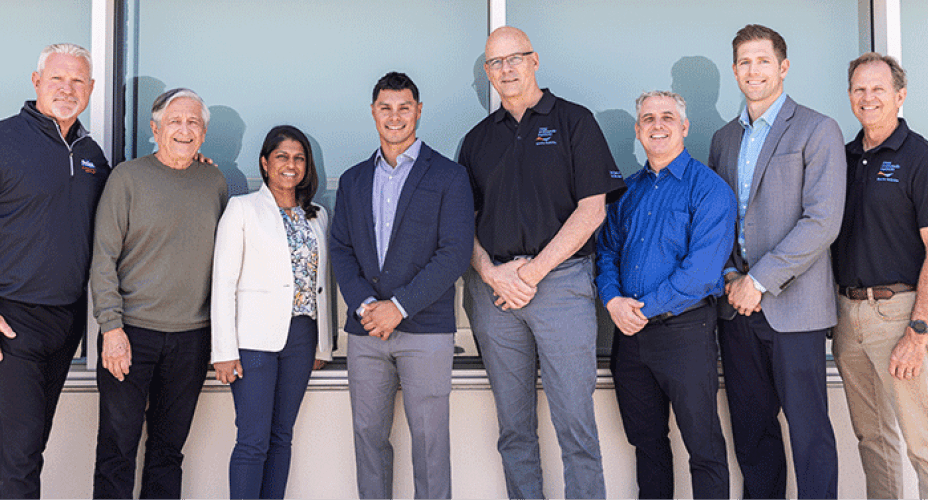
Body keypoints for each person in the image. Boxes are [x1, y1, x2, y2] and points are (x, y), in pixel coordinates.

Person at [458, 26, 626, 499]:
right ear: (487, 73)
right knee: (513, 429)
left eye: (515, 58)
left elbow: (592, 210)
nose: (506, 69)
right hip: (495, 294)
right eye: (496, 63)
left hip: (561, 286)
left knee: (575, 424)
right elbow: (462, 223)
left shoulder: (574, 122)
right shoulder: (477, 140)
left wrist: (531, 273)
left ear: (534, 60)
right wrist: (491, 273)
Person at [707, 24, 845, 499]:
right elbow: (717, 220)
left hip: (795, 309)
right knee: (753, 435)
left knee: (809, 435)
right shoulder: (724, 139)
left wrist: (759, 280)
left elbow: (822, 221)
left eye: (763, 61)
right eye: (745, 62)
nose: (754, 70)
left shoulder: (817, 128)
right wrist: (731, 275)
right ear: (734, 71)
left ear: (783, 67)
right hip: (737, 310)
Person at [329, 72, 473, 500]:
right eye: (386, 108)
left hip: (426, 331)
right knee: (368, 437)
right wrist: (365, 305)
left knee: (430, 444)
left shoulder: (449, 176)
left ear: (418, 111)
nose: (395, 117)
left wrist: (399, 307)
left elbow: (454, 253)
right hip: (366, 330)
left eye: (404, 108)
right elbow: (341, 249)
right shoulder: (353, 180)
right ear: (373, 112)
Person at [90, 88, 228, 499]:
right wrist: (111, 328)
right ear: (155, 129)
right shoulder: (127, 178)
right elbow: (103, 258)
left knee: (168, 451)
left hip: (191, 338)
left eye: (193, 123)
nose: (184, 130)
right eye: (175, 122)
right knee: (117, 448)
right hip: (131, 334)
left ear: (203, 134)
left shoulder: (214, 181)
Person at [597, 91, 735, 499]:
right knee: (647, 445)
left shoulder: (709, 190)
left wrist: (640, 309)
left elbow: (701, 273)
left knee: (703, 447)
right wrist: (612, 300)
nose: (658, 125)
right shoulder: (626, 191)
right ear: (638, 130)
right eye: (648, 119)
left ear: (684, 127)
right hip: (630, 337)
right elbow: (606, 252)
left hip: (685, 333)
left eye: (667, 117)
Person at [0, 43, 110, 499]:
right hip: (12, 321)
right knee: (18, 455)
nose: (67, 88)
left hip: (65, 322)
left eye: (77, 80)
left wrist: (187, 166)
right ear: (36, 81)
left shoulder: (91, 155)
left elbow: (125, 214)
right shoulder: (5, 140)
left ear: (91, 88)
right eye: (57, 78)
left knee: (29, 446)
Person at [212, 125, 333, 499]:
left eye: (299, 158)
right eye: (282, 156)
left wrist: (322, 345)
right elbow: (223, 283)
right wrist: (224, 350)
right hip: (253, 341)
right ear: (265, 163)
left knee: (282, 436)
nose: (290, 165)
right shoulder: (242, 209)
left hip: (301, 338)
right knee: (253, 440)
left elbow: (322, 283)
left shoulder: (317, 216)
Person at [832, 52, 928, 499]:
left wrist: (919, 330)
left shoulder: (919, 157)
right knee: (873, 440)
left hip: (899, 314)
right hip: (847, 315)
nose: (867, 97)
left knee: (922, 441)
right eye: (859, 89)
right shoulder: (844, 158)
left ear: (900, 95)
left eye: (878, 89)